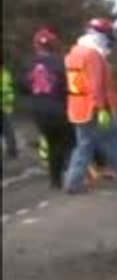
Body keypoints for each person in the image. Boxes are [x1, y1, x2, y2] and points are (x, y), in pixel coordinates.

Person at [62, 17, 117, 194]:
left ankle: (72, 182)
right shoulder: (94, 56)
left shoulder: (73, 53)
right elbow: (96, 85)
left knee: (83, 147)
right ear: (102, 35)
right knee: (115, 144)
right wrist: (102, 109)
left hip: (78, 110)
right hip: (97, 109)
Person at [21, 28, 75, 188]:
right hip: (59, 109)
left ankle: (55, 180)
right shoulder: (61, 62)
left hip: (38, 110)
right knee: (69, 142)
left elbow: (23, 87)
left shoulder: (27, 63)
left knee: (52, 144)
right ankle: (72, 176)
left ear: (36, 45)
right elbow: (69, 86)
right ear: (53, 45)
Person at [1, 54, 16, 160]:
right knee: (8, 130)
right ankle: (12, 151)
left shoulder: (6, 75)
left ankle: (12, 151)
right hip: (6, 106)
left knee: (8, 130)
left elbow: (9, 91)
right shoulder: (6, 74)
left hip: (5, 106)